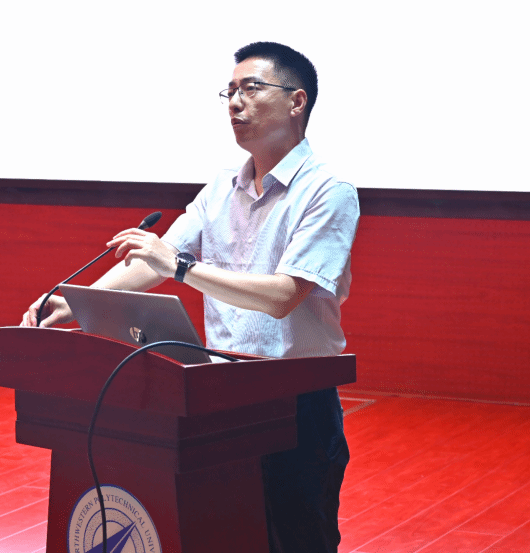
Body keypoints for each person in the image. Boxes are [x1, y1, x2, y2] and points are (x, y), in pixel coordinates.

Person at [22, 41, 359, 553]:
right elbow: (152, 262)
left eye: (251, 88)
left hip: (295, 402)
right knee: (226, 535)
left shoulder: (328, 190)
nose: (235, 102)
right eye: (230, 91)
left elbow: (284, 296)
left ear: (297, 101)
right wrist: (76, 302)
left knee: (296, 539)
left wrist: (180, 267)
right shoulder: (221, 187)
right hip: (218, 395)